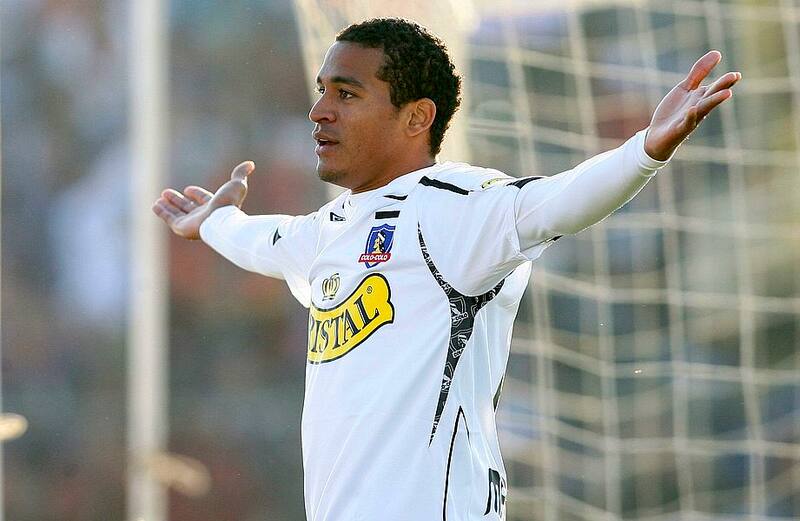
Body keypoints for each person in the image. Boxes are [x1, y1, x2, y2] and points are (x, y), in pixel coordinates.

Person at [152, 18, 740, 521]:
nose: (319, 111)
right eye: (322, 91)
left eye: (347, 94)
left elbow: (554, 203)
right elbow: (263, 240)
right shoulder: (329, 230)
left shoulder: (454, 207)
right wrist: (213, 222)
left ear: (417, 117)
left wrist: (644, 150)